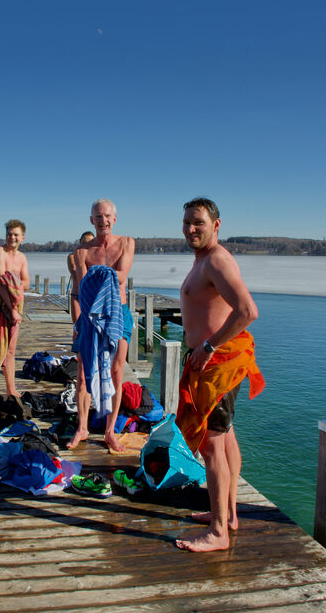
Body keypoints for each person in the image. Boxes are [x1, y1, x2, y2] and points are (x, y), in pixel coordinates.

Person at [175, 197, 265, 552]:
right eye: (186, 222)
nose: (191, 228)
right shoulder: (204, 260)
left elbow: (247, 310)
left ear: (216, 224)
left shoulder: (216, 260)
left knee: (212, 447)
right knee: (225, 438)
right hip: (214, 364)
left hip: (219, 365)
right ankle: (227, 515)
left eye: (198, 222)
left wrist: (209, 347)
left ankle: (217, 532)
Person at [67, 199, 135, 452]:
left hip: (118, 313)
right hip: (89, 317)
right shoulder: (82, 252)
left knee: (117, 373)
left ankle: (110, 431)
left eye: (107, 216)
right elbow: (82, 288)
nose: (103, 221)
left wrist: (96, 273)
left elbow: (121, 276)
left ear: (114, 218)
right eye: (98, 216)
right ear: (91, 220)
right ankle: (82, 427)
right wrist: (77, 321)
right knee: (84, 376)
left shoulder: (127, 243)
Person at [0, 219, 30, 399]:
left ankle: (11, 389)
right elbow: (1, 283)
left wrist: (14, 280)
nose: (12, 237)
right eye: (9, 234)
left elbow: (26, 282)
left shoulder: (22, 258)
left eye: (16, 234)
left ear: (22, 237)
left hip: (13, 310)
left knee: (10, 351)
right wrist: (13, 308)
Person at [67, 231, 94, 324]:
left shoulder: (95, 258)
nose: (87, 245)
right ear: (80, 242)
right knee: (77, 328)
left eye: (90, 243)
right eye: (84, 243)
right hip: (77, 296)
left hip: (91, 297)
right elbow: (76, 274)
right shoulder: (72, 257)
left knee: (91, 328)